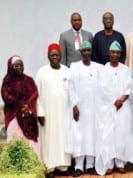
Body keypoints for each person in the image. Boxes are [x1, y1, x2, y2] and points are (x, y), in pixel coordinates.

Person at [95, 41, 133, 175]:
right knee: (108, 134)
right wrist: (113, 101)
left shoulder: (126, 70)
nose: (115, 55)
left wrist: (121, 100)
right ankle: (109, 163)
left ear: (120, 55)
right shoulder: (103, 70)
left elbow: (129, 87)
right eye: (113, 52)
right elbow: (102, 88)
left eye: (117, 53)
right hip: (108, 108)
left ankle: (120, 163)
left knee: (122, 134)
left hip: (123, 107)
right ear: (109, 54)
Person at [65, 41, 102, 177]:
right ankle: (79, 166)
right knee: (79, 136)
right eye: (84, 50)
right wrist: (74, 105)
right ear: (80, 52)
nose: (86, 53)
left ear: (91, 52)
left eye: (88, 50)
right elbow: (70, 86)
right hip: (79, 109)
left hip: (94, 109)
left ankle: (91, 166)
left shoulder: (98, 67)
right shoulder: (74, 67)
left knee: (92, 135)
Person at [36, 43, 71, 178]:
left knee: (63, 137)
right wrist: (40, 113)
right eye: (52, 55)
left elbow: (71, 91)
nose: (55, 57)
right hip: (48, 114)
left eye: (57, 55)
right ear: (48, 57)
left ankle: (63, 166)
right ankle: (49, 167)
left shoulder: (66, 70)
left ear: (61, 56)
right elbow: (36, 95)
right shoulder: (41, 72)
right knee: (49, 139)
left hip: (64, 112)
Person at [1, 55, 40, 156]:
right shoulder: (7, 82)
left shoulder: (29, 80)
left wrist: (27, 106)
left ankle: (32, 164)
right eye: (16, 66)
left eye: (21, 65)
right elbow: (7, 97)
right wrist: (21, 106)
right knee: (15, 139)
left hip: (28, 115)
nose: (19, 67)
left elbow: (35, 93)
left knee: (30, 142)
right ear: (10, 67)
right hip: (13, 115)